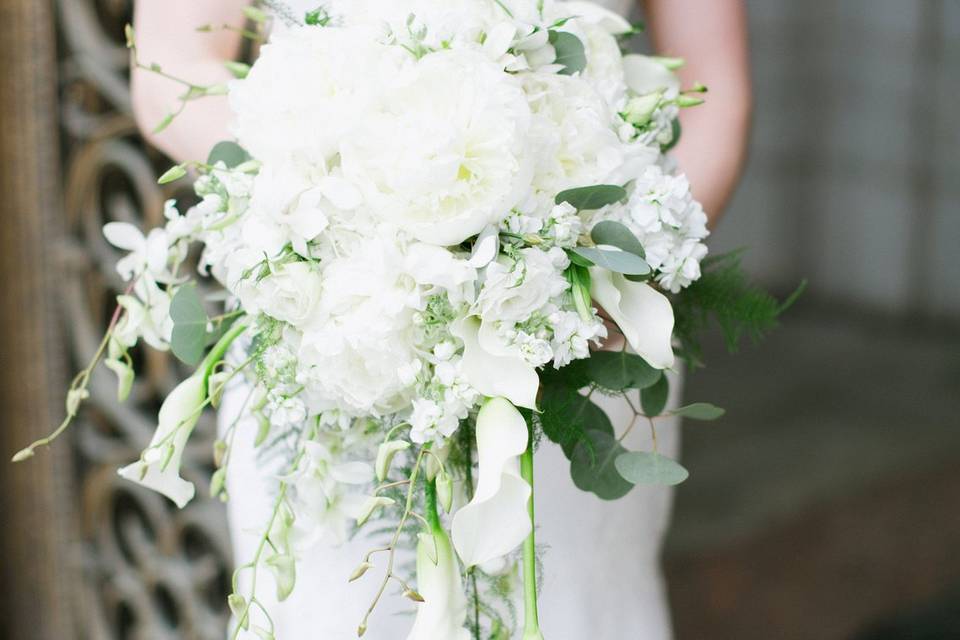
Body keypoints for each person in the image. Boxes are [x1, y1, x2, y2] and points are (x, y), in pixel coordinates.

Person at [131, 2, 751, 638]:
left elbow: (713, 88)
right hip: (333, 319)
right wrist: (343, 193)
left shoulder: (591, 299)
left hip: (576, 329)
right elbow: (169, 70)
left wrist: (624, 265)